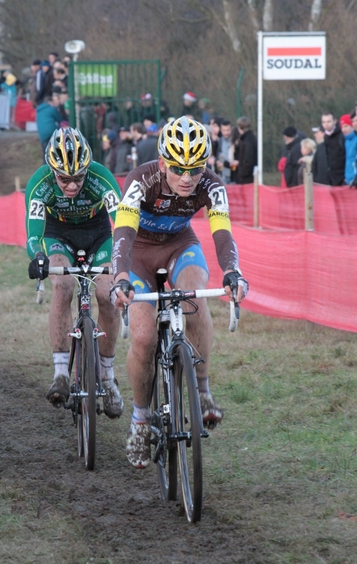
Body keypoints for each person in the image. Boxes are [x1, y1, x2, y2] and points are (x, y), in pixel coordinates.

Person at [110, 116, 248, 468]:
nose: (187, 178)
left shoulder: (211, 186)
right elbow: (123, 231)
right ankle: (141, 420)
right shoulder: (142, 180)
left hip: (179, 246)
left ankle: (201, 389)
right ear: (162, 163)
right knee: (142, 338)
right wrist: (120, 275)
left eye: (195, 168)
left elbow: (222, 233)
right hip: (138, 254)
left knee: (194, 297)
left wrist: (233, 271)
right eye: (177, 169)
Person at [25, 127, 123, 417]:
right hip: (59, 233)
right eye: (64, 179)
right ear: (52, 170)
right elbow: (33, 236)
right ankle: (60, 374)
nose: (71, 185)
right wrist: (39, 257)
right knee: (63, 286)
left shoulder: (101, 177)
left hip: (99, 231)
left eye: (78, 178)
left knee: (107, 294)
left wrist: (124, 260)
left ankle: (107, 376)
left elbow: (123, 225)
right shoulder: (39, 183)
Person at [321, 112, 345, 186]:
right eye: (324, 122)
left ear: (334, 121)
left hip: (342, 175)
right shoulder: (326, 136)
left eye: (329, 121)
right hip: (330, 176)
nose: (326, 124)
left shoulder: (342, 135)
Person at [232, 116, 257, 184]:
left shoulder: (247, 141)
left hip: (246, 179)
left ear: (240, 127)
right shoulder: (250, 138)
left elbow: (248, 161)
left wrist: (241, 175)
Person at [339, 113, 357, 185]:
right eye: (342, 127)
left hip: (354, 177)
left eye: (346, 126)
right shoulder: (346, 141)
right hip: (348, 178)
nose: (344, 129)